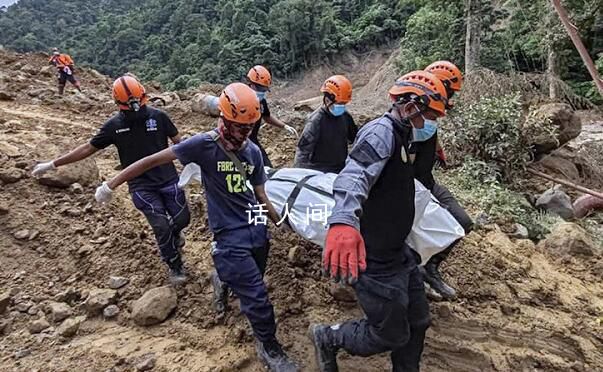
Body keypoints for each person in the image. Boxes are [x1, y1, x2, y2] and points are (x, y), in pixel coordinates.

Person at [93, 82, 298, 372]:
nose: (245, 134)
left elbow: (261, 195)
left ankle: (222, 280)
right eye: (240, 127)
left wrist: (283, 222)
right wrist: (111, 184)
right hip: (228, 236)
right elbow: (150, 161)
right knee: (257, 295)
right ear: (225, 120)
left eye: (250, 127)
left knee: (253, 275)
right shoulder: (203, 145)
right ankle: (269, 347)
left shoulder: (251, 152)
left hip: (255, 229)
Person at [308, 71, 450, 372]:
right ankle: (328, 337)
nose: (430, 124)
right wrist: (344, 220)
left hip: (399, 251)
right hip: (374, 257)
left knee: (418, 321)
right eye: (428, 115)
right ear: (411, 106)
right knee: (390, 333)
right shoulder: (380, 133)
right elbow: (354, 174)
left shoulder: (405, 135)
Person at [32, 76, 190, 285]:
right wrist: (54, 164)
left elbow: (180, 143)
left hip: (168, 178)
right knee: (161, 226)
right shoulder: (113, 127)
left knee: (182, 219)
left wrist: (195, 161)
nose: (136, 110)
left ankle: (175, 234)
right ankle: (174, 265)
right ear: (119, 104)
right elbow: (88, 148)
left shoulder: (159, 117)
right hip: (141, 185)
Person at [414, 60, 473, 300]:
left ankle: (430, 268)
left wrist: (438, 150)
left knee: (463, 222)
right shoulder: (412, 115)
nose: (449, 98)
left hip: (426, 182)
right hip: (411, 188)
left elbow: (431, 131)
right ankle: (413, 276)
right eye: (449, 91)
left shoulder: (431, 116)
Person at [294, 75, 358, 173]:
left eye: (344, 104)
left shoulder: (345, 117)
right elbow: (302, 151)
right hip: (319, 171)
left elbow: (356, 138)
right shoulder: (316, 121)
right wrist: (298, 174)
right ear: (327, 100)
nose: (342, 107)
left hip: (340, 168)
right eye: (339, 103)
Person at [246, 65, 298, 167]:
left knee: (266, 167)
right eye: (260, 88)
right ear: (251, 83)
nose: (262, 92)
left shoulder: (261, 101)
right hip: (238, 142)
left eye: (264, 89)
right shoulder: (240, 100)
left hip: (252, 141)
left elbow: (267, 117)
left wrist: (284, 126)